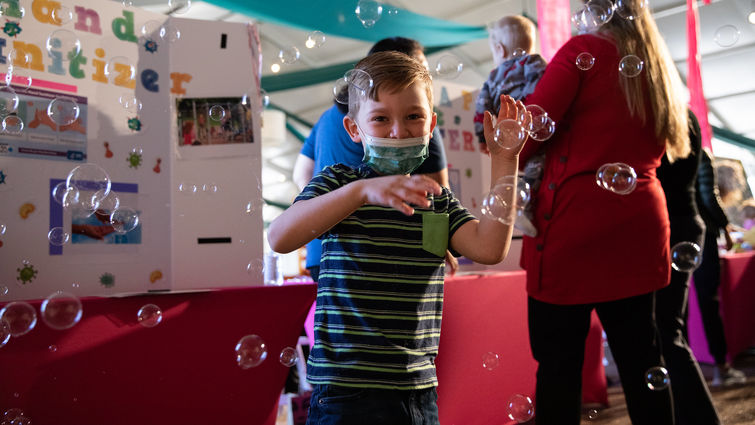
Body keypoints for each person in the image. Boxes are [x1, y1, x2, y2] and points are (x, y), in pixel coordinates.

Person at [269, 51, 526, 425]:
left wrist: (505, 162)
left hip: (415, 391)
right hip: (345, 390)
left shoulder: (435, 198)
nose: (398, 131)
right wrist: (360, 192)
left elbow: (488, 247)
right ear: (354, 130)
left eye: (413, 117)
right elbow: (279, 236)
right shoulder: (339, 183)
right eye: (380, 119)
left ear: (431, 124)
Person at [516, 1, 690, 423]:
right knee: (642, 359)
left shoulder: (581, 52)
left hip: (573, 227)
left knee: (558, 366)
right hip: (641, 224)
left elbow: (527, 139)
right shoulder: (659, 64)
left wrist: (497, 130)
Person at [292, 37, 450, 282]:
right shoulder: (416, 120)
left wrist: (324, 210)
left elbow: (301, 173)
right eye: (419, 70)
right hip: (392, 251)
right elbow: (437, 188)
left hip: (324, 249)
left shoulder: (326, 118)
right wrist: (439, 244)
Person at [655, 110, 721, 424]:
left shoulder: (661, 118)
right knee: (671, 327)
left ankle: (697, 417)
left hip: (670, 227)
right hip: (684, 225)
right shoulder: (684, 116)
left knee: (666, 331)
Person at [474, 15, 547, 236]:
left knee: (511, 167)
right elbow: (541, 87)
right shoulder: (532, 62)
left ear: (499, 48)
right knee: (538, 163)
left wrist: (482, 137)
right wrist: (525, 110)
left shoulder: (492, 76)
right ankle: (524, 205)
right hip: (528, 125)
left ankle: (515, 203)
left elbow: (482, 108)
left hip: (506, 131)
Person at [693, 147, 747, 387]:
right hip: (701, 235)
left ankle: (687, 373)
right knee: (709, 302)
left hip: (670, 236)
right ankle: (722, 367)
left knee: (676, 311)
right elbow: (708, 196)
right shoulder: (697, 151)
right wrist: (725, 226)